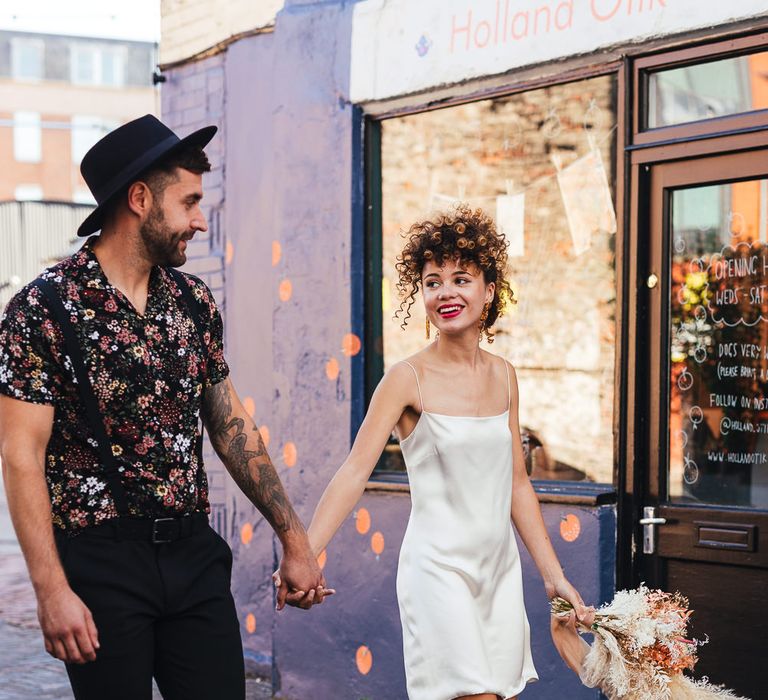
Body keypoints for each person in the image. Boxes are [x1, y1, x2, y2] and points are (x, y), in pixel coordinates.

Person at [0, 115, 328, 700]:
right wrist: (51, 592)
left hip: (193, 555)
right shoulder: (41, 310)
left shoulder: (192, 301)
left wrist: (294, 539)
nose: (200, 221)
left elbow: (230, 427)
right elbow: (21, 455)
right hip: (100, 563)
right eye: (190, 202)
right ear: (140, 198)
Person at [277, 205, 593, 700]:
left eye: (461, 278)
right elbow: (355, 471)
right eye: (432, 282)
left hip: (498, 570)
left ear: (489, 291)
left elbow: (516, 484)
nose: (445, 292)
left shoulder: (504, 376)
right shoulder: (407, 379)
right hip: (436, 571)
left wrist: (554, 578)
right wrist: (306, 552)